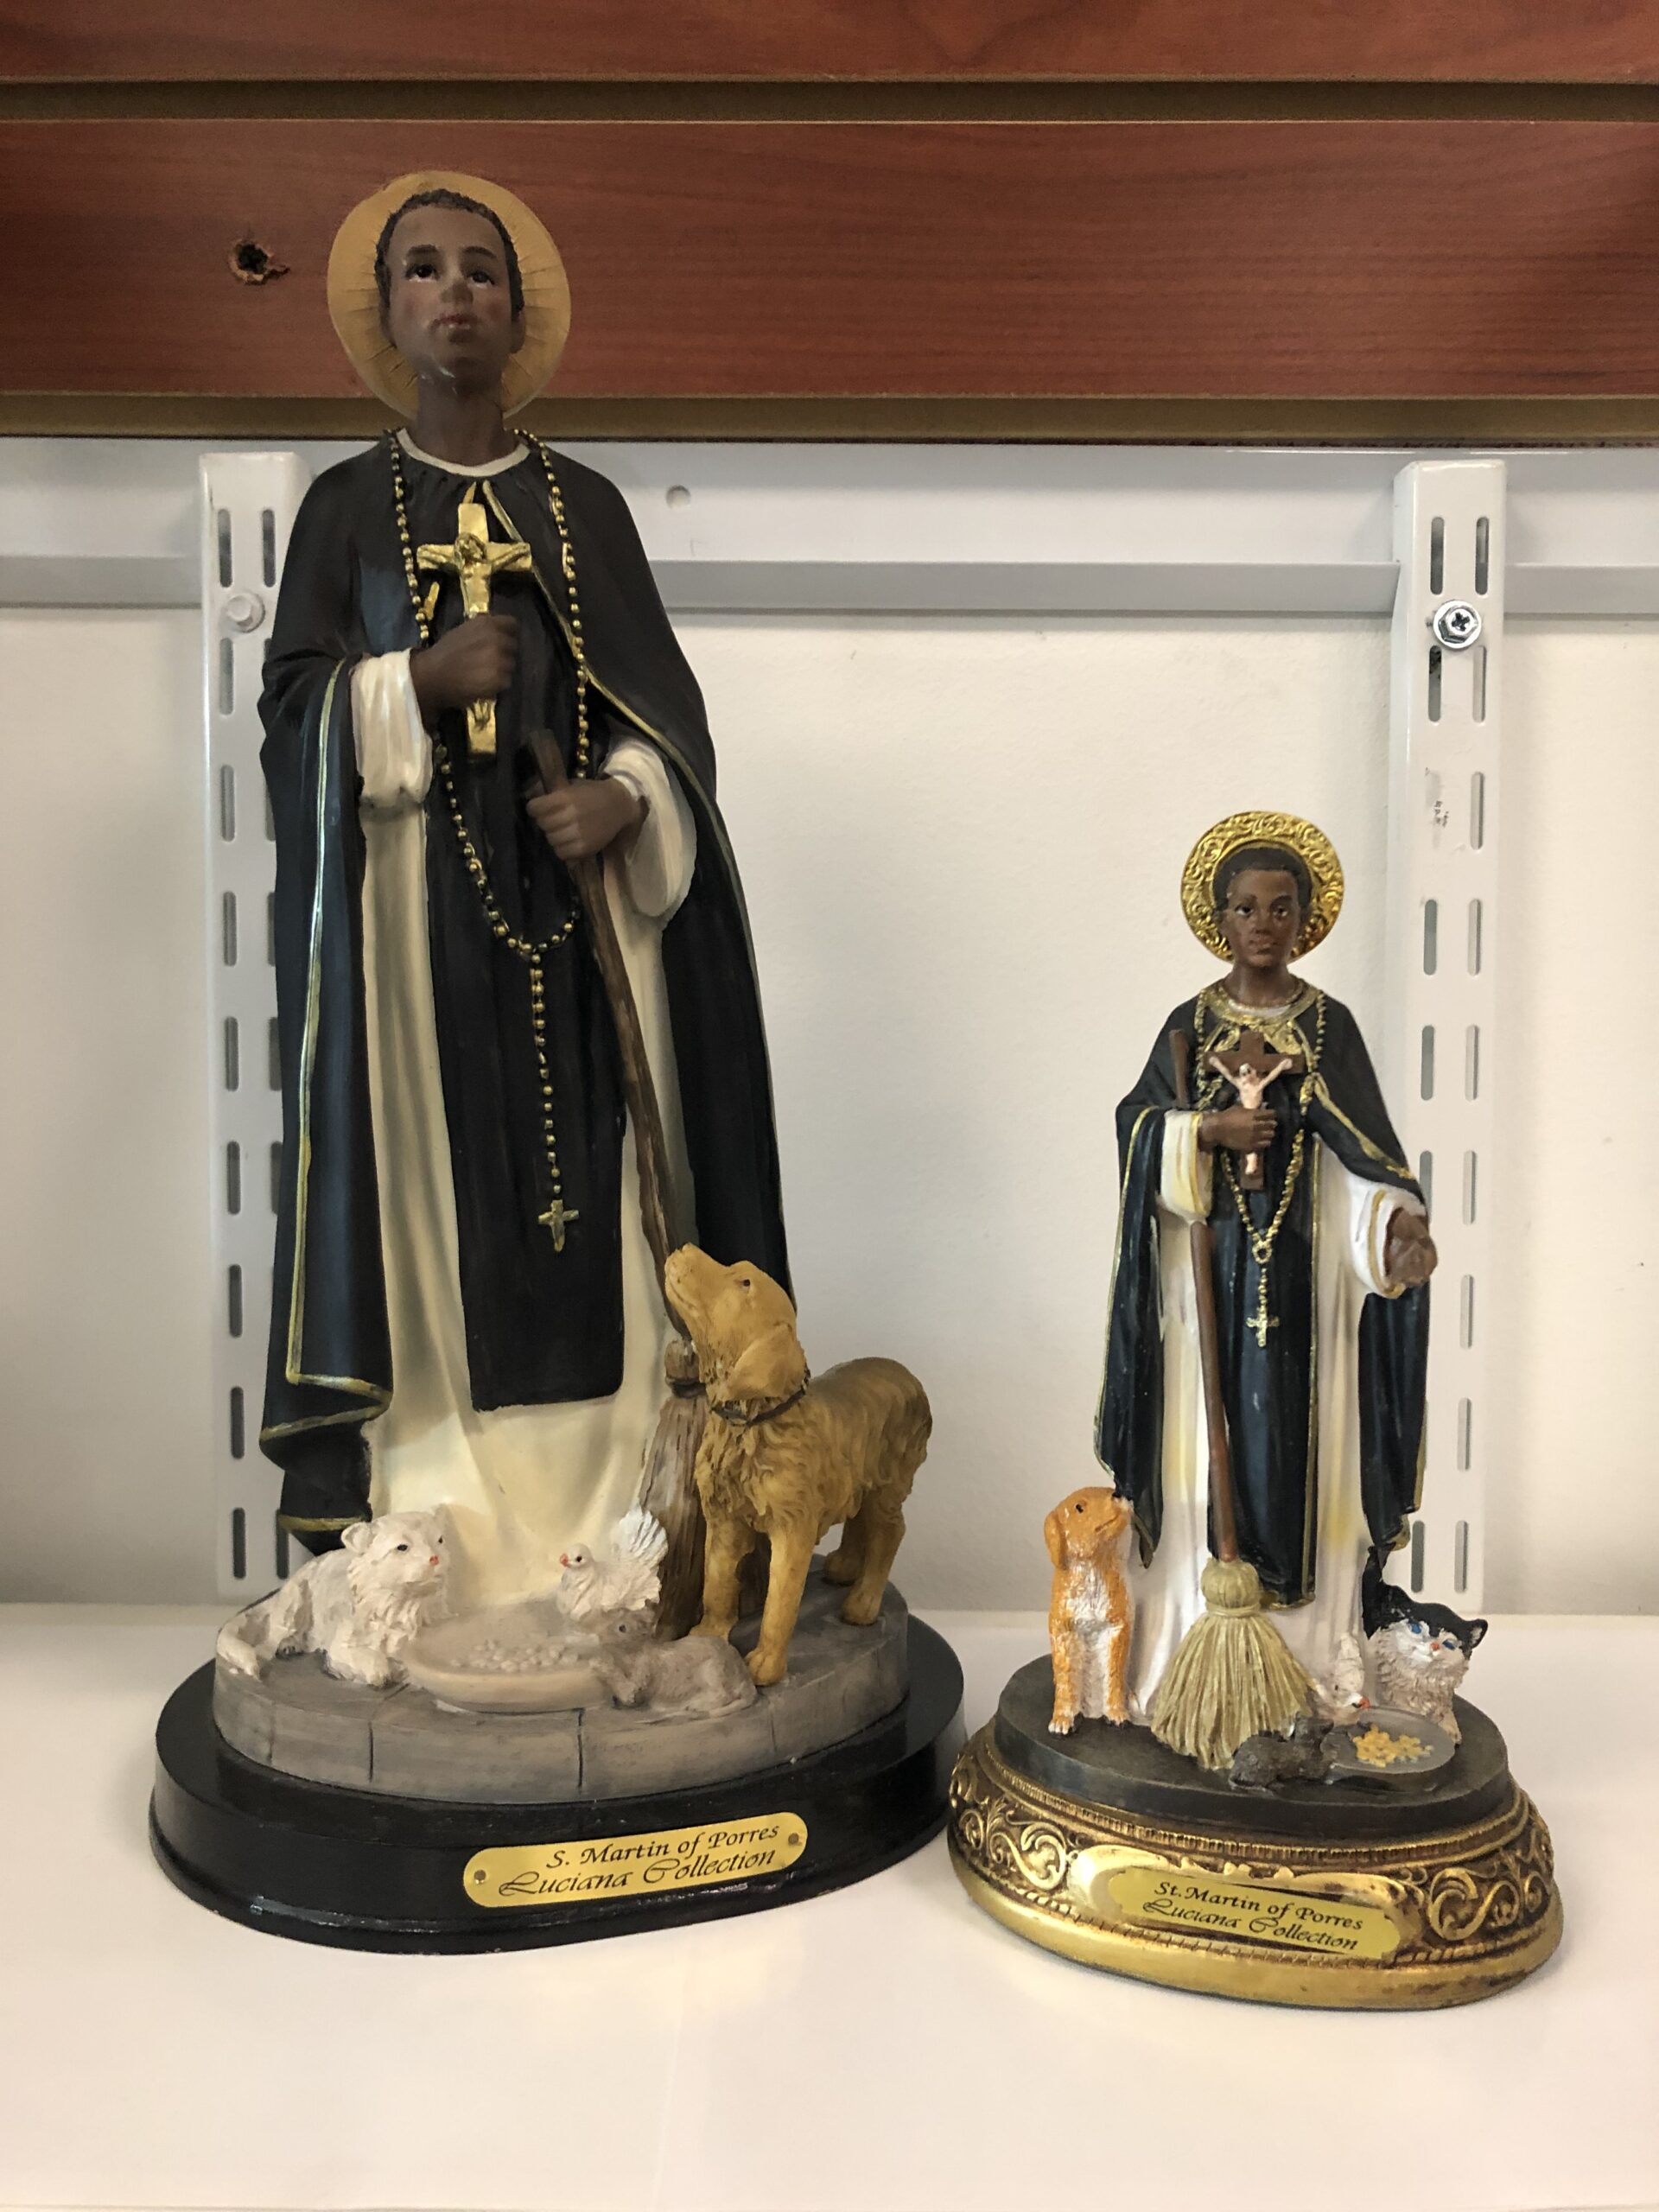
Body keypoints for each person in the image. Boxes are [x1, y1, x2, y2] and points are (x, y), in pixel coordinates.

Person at [257, 169, 787, 1606]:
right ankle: (451, 1528)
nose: (455, 292)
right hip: (415, 925)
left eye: (481, 269)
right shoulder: (345, 510)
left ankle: (626, 1522)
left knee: (611, 1213)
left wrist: (629, 796)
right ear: (385, 311)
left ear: (518, 308)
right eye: (423, 269)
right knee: (437, 1220)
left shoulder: (585, 509)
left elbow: (667, 719)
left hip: (582, 913)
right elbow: (291, 717)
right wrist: (411, 684)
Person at [1095, 812, 1435, 1715]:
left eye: (1281, 907)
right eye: (1245, 907)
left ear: (1305, 918)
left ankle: (1310, 1659)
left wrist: (1393, 1230)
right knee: (1206, 1456)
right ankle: (1195, 1652)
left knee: (1300, 1453)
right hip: (1205, 1281)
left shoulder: (1329, 1028)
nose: (1263, 923)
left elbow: (1370, 1161)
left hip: (1308, 1288)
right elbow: (1136, 1129)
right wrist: (1207, 1129)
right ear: (1220, 917)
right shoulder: (1190, 1025)